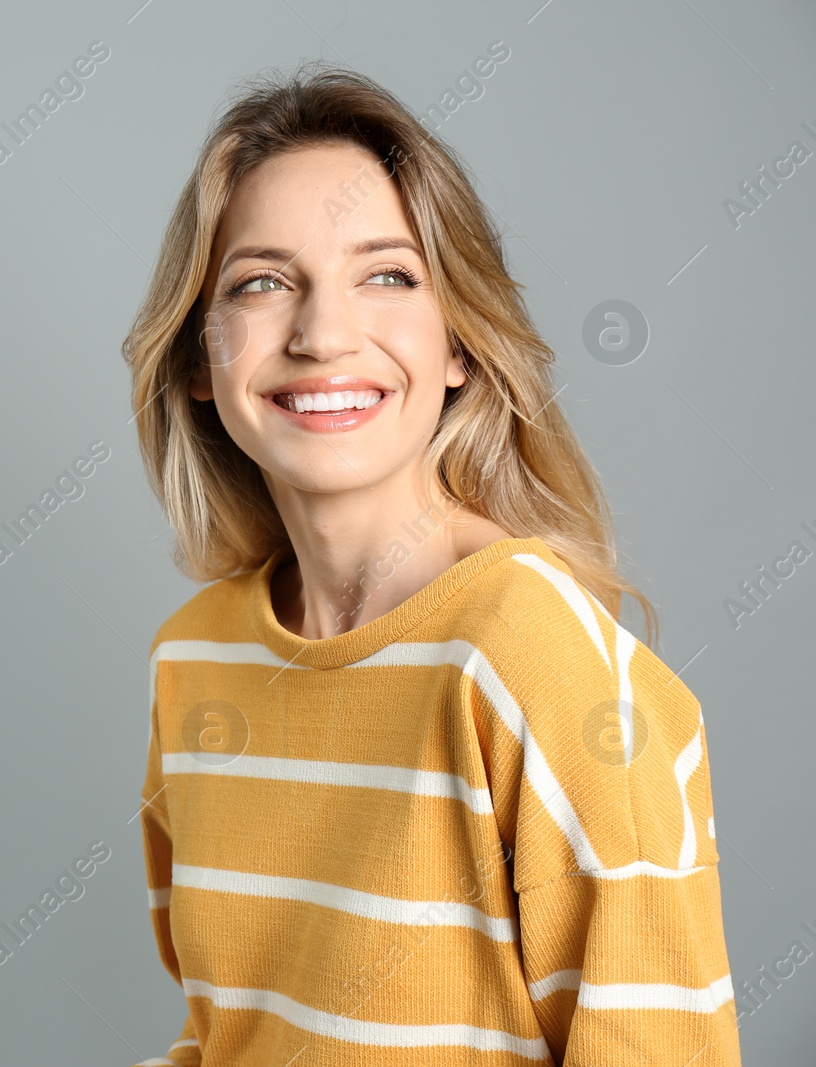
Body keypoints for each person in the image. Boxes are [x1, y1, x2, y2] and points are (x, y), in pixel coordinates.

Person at [119, 61, 740, 1066]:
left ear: (458, 342)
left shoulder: (533, 654)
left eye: (388, 275)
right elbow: (225, 1035)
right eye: (263, 281)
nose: (323, 335)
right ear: (197, 354)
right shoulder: (194, 660)